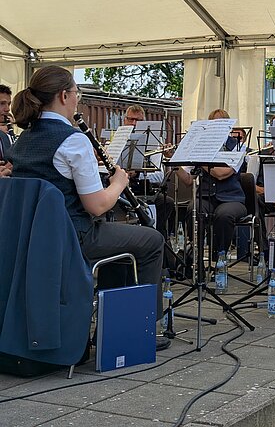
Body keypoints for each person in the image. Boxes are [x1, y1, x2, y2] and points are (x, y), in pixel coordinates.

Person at [6, 66, 170, 349]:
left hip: (32, 239)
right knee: (152, 240)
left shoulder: (23, 140)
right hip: (73, 237)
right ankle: (140, 329)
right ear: (64, 96)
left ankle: (112, 325)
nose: (77, 101)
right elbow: (97, 206)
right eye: (76, 94)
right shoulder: (73, 140)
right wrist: (118, 182)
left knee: (121, 242)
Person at [177, 109, 247, 258]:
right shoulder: (202, 147)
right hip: (205, 196)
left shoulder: (238, 146)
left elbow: (222, 174)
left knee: (224, 215)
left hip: (232, 198)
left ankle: (219, 257)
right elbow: (188, 180)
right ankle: (195, 254)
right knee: (194, 209)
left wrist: (199, 158)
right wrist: (174, 162)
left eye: (221, 123)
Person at [122, 104, 176, 239]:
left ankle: (158, 238)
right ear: (124, 120)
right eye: (131, 119)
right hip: (120, 190)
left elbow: (159, 175)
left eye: (138, 120)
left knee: (167, 202)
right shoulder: (116, 140)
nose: (134, 124)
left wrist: (138, 174)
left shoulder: (154, 143)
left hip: (143, 189)